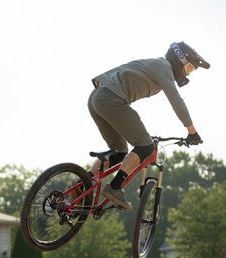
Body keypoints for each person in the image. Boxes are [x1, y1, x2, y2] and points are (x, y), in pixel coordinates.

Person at [87, 42, 210, 211]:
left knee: (119, 151)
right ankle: (115, 187)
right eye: (188, 68)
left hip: (96, 98)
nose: (188, 73)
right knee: (145, 146)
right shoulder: (164, 67)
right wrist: (192, 132)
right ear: (178, 60)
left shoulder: (155, 65)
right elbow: (176, 101)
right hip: (110, 99)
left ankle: (81, 184)